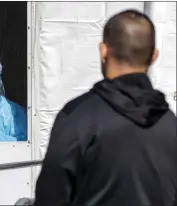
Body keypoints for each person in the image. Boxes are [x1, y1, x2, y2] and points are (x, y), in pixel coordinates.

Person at [33, 10, 176, 206]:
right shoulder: (170, 123)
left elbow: (50, 198)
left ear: (104, 51)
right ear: (154, 57)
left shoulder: (78, 117)